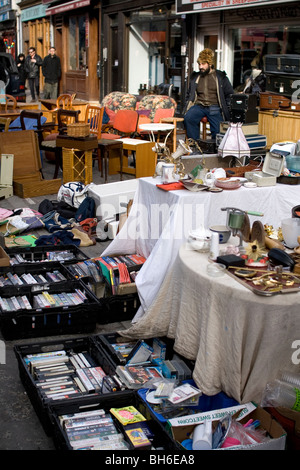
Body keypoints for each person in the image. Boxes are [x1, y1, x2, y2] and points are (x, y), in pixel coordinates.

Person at [183, 48, 234, 141]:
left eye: (203, 64)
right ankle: (194, 144)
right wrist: (188, 104)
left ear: (210, 64)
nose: (200, 67)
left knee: (218, 129)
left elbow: (229, 94)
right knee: (188, 118)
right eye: (199, 64)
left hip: (214, 106)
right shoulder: (196, 77)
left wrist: (228, 109)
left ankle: (215, 148)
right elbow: (189, 93)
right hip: (199, 106)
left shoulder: (220, 77)